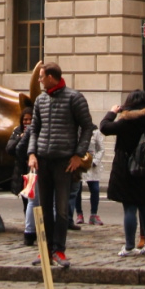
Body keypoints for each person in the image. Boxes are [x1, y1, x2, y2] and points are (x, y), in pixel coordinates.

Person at [26, 62, 95, 268]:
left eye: (41, 76)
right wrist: (32, 153)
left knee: (62, 209)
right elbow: (34, 128)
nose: (39, 80)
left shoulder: (74, 97)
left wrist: (78, 155)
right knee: (44, 208)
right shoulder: (40, 100)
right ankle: (45, 250)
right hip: (44, 160)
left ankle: (59, 249)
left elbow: (87, 127)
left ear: (50, 77)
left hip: (64, 161)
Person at [101, 91, 145, 256]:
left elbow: (104, 127)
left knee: (129, 207)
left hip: (127, 168)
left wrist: (112, 112)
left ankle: (129, 246)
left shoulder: (126, 121)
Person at [7, 108, 36, 246]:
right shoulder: (17, 131)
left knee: (35, 202)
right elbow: (10, 149)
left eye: (30, 119)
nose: (28, 122)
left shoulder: (36, 131)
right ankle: (29, 227)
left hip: (34, 172)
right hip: (22, 172)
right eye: (25, 120)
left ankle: (35, 229)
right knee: (26, 202)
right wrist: (21, 137)